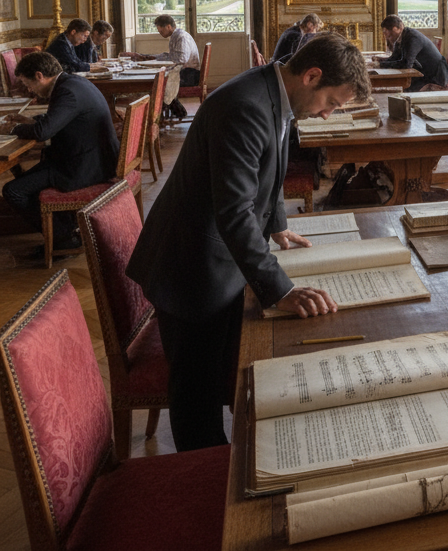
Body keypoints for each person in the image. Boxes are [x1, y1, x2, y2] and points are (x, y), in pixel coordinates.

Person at [126, 34, 371, 451]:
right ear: (312, 75)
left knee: (224, 368)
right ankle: (205, 477)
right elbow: (234, 213)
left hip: (216, 260)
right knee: (196, 396)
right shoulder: (245, 106)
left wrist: (276, 223)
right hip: (192, 268)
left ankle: (231, 451)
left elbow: (268, 167)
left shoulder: (274, 92)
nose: (329, 114)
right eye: (332, 102)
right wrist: (282, 290)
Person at [0, 51, 118, 253]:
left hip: (84, 167)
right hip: (89, 158)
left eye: (29, 84)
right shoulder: (71, 83)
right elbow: (57, 119)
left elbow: (43, 132)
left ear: (39, 75)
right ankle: (64, 228)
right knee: (28, 181)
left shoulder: (67, 92)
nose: (30, 90)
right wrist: (31, 120)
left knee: (13, 190)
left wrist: (10, 129)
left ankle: (63, 238)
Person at [377, 14, 448, 91]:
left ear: (395, 29)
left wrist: (381, 64)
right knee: (398, 86)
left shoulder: (413, 38)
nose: (387, 38)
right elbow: (394, 58)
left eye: (389, 35)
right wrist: (379, 62)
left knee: (402, 88)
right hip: (423, 73)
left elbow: (407, 64)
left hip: (434, 77)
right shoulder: (401, 37)